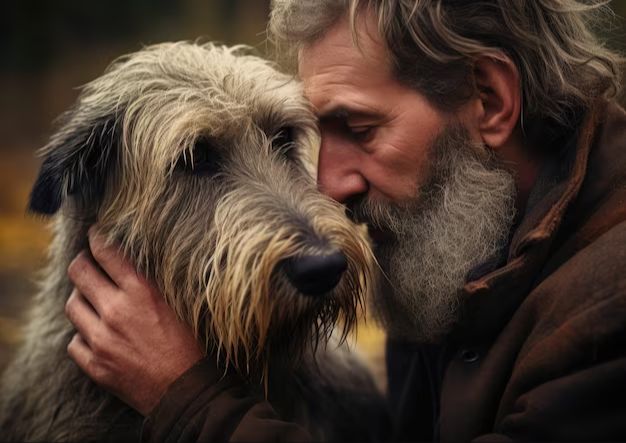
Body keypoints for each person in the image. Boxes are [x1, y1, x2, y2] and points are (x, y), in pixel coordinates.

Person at [65, 0, 626, 441]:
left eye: (359, 128)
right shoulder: (451, 243)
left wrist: (186, 402)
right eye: (315, 133)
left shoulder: (607, 310)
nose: (327, 186)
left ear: (490, 98)